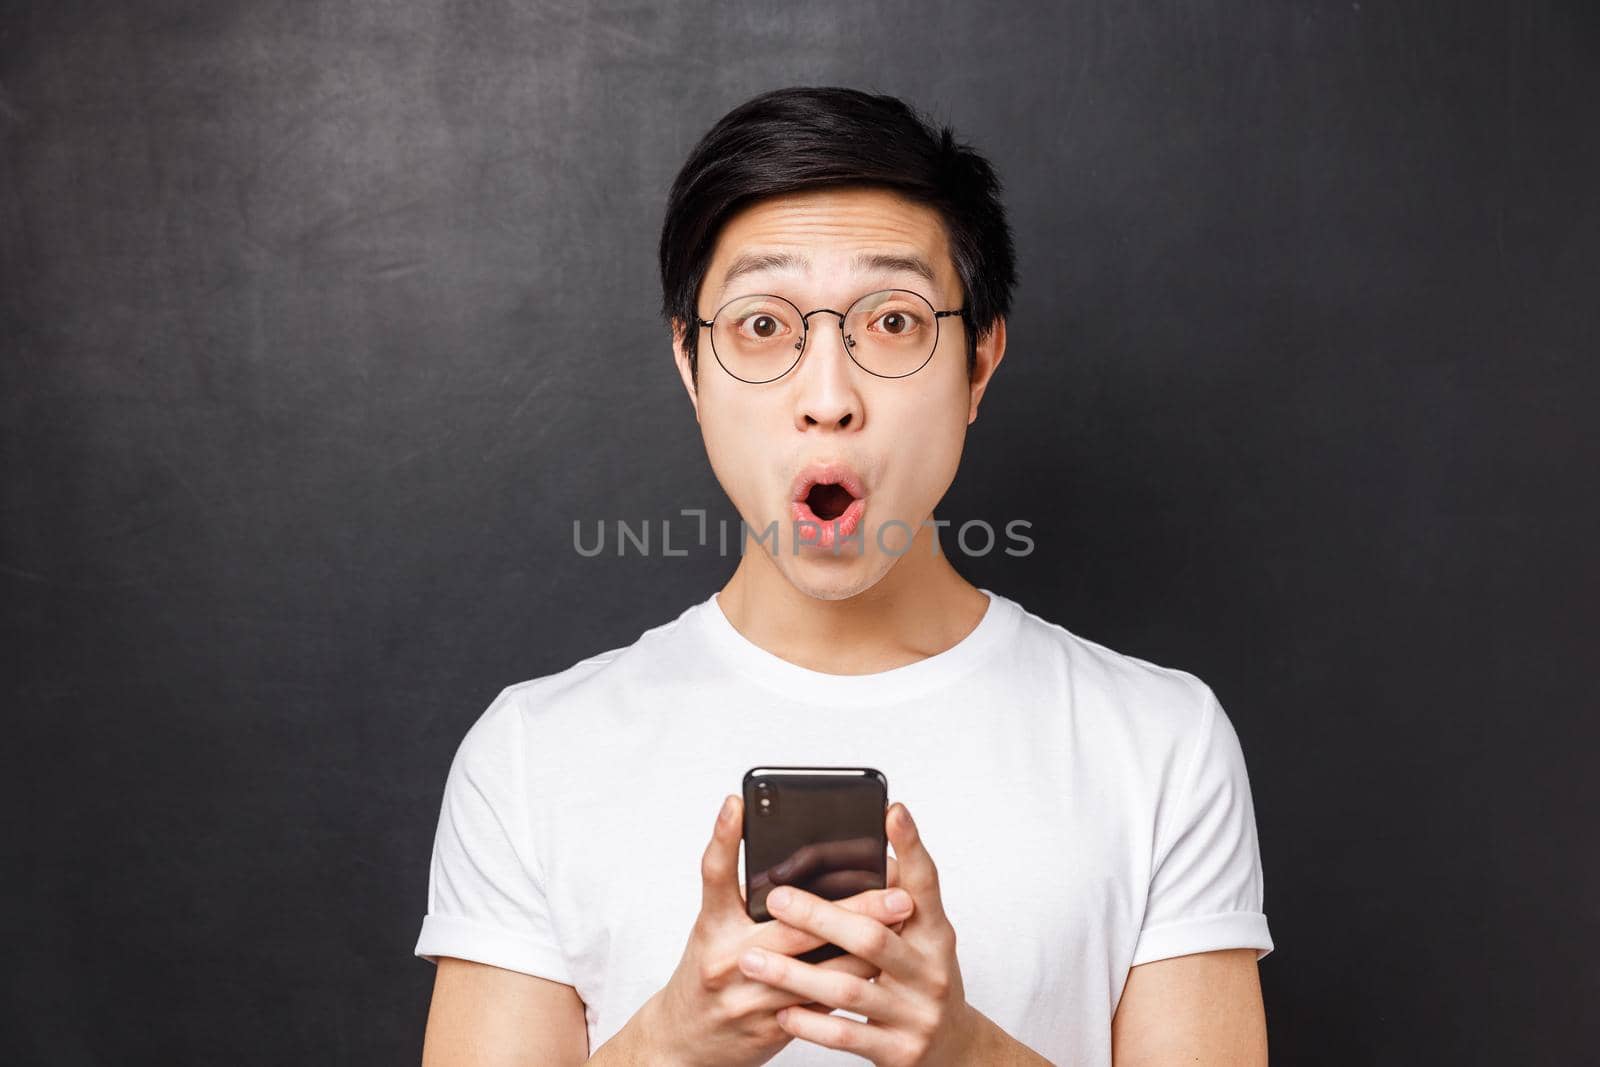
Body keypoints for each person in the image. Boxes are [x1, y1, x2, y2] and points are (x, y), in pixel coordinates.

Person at [414, 86, 1273, 1066]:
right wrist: (670, 1046)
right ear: (690, 365)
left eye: (895, 320)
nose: (828, 397)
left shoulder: (1159, 741)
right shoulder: (530, 755)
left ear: (979, 359)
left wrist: (962, 1050)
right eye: (765, 326)